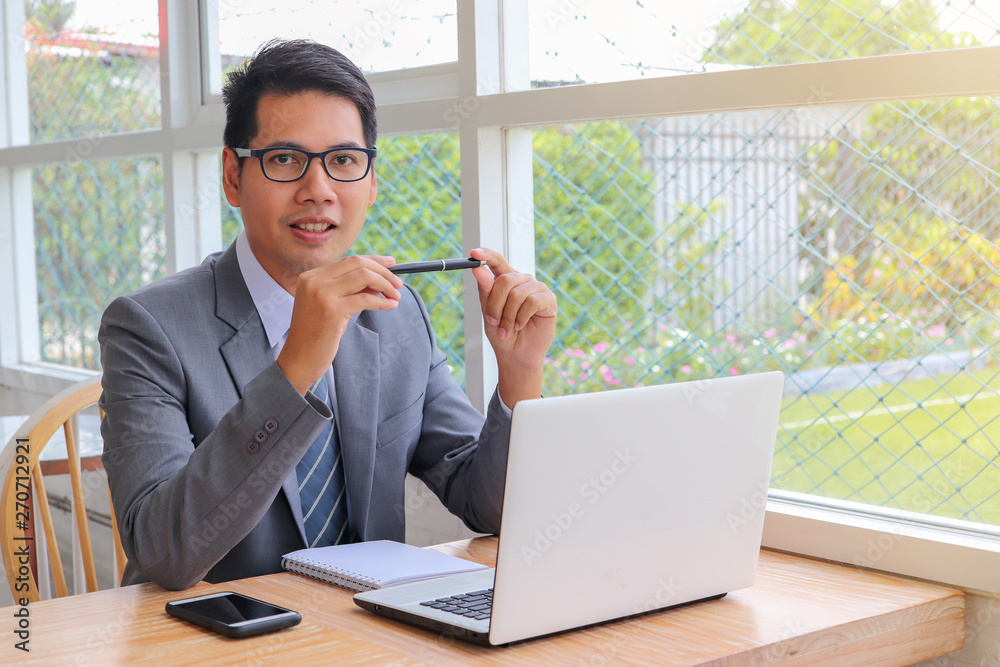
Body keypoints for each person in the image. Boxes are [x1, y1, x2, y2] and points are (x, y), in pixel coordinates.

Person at [99, 39, 557, 590]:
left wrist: (519, 373)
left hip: (364, 630)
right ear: (232, 176)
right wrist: (296, 368)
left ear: (371, 181)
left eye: (343, 161)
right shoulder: (147, 327)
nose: (318, 191)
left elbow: (486, 506)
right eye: (285, 160)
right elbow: (163, 553)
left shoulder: (396, 312)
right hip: (214, 641)